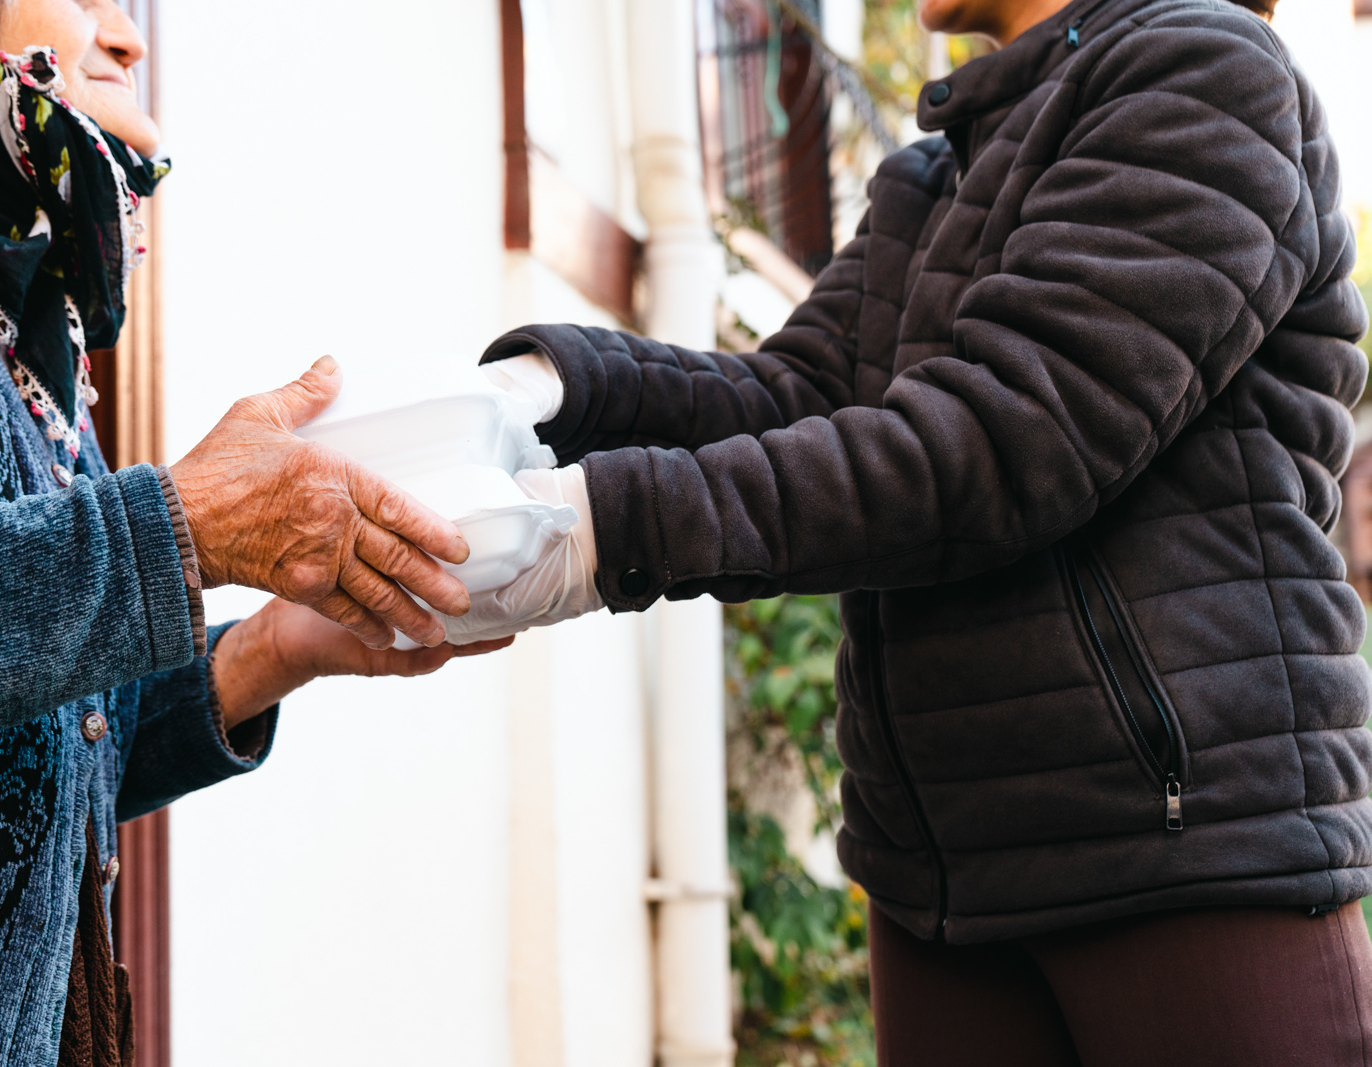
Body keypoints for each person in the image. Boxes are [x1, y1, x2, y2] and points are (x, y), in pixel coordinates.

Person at [461, 0, 1372, 1060]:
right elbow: (798, 397)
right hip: (940, 881)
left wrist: (596, 529)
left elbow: (1006, 438)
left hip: (1181, 860)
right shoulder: (930, 180)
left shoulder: (1205, 73)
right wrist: (554, 389)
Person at [0, 0, 510, 1062]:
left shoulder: (3, 304)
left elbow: (8, 752)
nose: (130, 36)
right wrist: (177, 530)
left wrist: (269, 649)